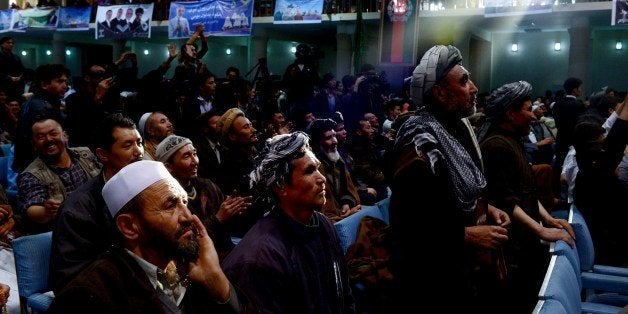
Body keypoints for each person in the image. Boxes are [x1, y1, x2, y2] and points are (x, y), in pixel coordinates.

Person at [390, 45, 510, 311]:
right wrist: (466, 235)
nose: (475, 88)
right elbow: (408, 227)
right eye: (465, 81)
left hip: (463, 272)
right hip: (431, 282)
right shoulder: (418, 141)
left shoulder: (454, 126)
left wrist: (486, 207)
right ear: (440, 93)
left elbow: (455, 195)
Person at [49, 160, 248, 313]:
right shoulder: (88, 295)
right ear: (129, 227)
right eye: (170, 206)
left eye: (184, 202)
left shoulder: (194, 265)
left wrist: (219, 284)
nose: (188, 216)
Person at [222, 132, 355, 313]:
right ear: (280, 186)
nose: (322, 178)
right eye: (309, 171)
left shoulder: (323, 224)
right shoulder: (259, 257)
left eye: (317, 168)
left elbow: (344, 295)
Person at [478, 81, 575, 313]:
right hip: (512, 245)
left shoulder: (513, 141)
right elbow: (505, 201)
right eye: (527, 109)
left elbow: (527, 190)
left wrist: (548, 220)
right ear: (510, 114)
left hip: (526, 239)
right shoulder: (496, 145)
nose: (533, 116)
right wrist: (540, 230)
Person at [50, 114, 143, 293]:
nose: (138, 152)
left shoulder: (151, 190)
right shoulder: (77, 209)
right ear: (103, 155)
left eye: (139, 142)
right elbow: (69, 279)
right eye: (127, 145)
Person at [155, 134, 251, 260]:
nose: (195, 161)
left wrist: (236, 210)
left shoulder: (207, 186)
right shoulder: (168, 202)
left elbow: (230, 222)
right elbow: (185, 243)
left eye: (194, 153)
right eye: (186, 156)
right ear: (169, 167)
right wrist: (218, 219)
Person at [18, 116, 101, 234]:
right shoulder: (31, 174)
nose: (48, 139)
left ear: (65, 136)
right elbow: (32, 208)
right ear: (34, 144)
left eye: (53, 133)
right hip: (67, 231)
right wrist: (46, 211)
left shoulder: (85, 154)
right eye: (41, 137)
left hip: (99, 219)